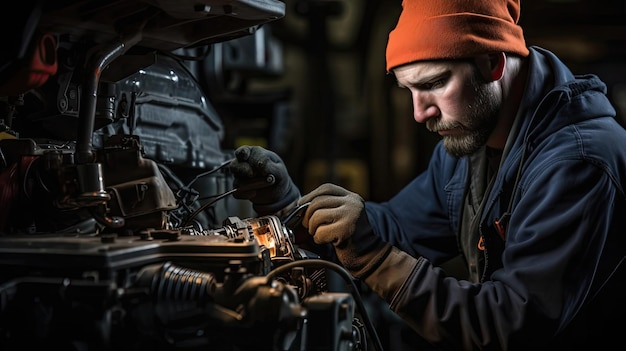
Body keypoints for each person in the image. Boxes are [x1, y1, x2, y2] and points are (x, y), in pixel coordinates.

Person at [229, 0, 626, 349]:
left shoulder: (578, 163)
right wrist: (287, 207)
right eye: (409, 90)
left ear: (493, 62)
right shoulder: (470, 145)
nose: (420, 113)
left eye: (434, 84)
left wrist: (373, 259)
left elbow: (508, 328)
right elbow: (396, 230)